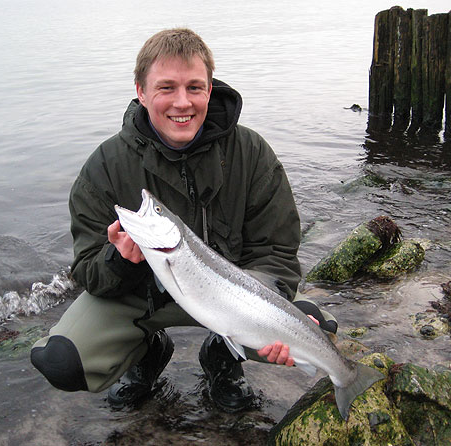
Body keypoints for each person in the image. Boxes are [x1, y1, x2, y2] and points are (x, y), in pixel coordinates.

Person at [30, 28, 337, 413]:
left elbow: (275, 252)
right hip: (142, 299)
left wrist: (272, 313)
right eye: (166, 88)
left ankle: (224, 358)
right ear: (141, 92)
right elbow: (87, 272)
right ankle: (146, 352)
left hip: (236, 301)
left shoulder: (251, 153)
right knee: (62, 361)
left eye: (194, 87)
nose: (182, 102)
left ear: (210, 89)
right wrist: (119, 260)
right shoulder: (104, 167)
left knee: (316, 328)